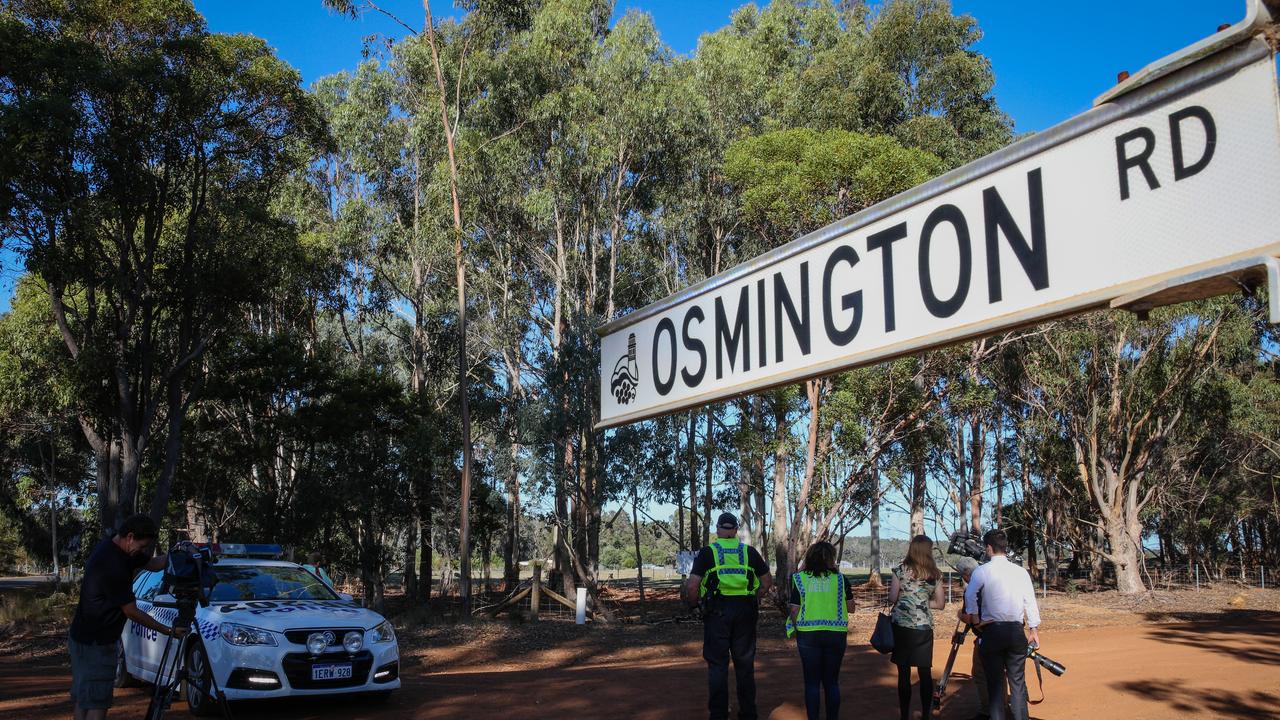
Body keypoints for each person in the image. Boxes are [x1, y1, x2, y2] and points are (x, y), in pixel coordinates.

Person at [68, 514, 188, 720]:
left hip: (83, 637)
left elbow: (152, 564)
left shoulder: (118, 549)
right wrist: (168, 630)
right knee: (97, 702)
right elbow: (131, 611)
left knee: (85, 697)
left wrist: (179, 554)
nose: (141, 552)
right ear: (130, 537)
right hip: (97, 643)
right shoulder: (112, 564)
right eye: (141, 546)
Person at [684, 512, 774, 720]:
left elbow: (693, 585)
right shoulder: (749, 552)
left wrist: (694, 606)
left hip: (717, 611)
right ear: (735, 530)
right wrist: (755, 597)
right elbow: (767, 581)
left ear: (717, 529)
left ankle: (718, 714)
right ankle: (749, 713)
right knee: (744, 665)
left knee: (717, 664)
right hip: (745, 610)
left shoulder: (708, 553)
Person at [962, 529, 1042, 720]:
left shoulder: (982, 571)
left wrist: (975, 620)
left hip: (992, 632)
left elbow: (970, 594)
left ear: (989, 548)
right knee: (1017, 683)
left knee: (995, 685)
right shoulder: (1020, 572)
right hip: (1016, 631)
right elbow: (1029, 600)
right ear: (1005, 547)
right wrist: (1033, 629)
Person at [787, 541, 854, 720]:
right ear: (831, 559)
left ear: (810, 557)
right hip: (836, 634)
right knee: (832, 682)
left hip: (808, 635)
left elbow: (794, 609)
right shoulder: (840, 579)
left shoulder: (800, 578)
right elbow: (851, 607)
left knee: (812, 683)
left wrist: (797, 628)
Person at [888, 534, 946, 720]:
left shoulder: (899, 571)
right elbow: (940, 603)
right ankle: (926, 714)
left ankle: (904, 715)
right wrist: (921, 603)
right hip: (923, 627)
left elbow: (892, 598)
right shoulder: (935, 575)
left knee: (903, 672)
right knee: (924, 672)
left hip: (902, 627)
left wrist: (908, 602)